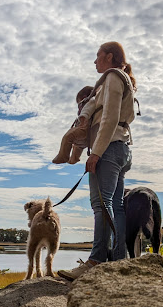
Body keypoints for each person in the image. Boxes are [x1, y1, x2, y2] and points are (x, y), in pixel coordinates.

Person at [58, 42, 137, 281]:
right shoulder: (120, 80)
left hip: (110, 149)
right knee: (116, 206)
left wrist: (96, 153)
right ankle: (119, 262)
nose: (95, 61)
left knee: (100, 204)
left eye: (98, 56)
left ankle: (96, 261)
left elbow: (109, 118)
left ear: (109, 56)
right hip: (122, 149)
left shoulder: (113, 77)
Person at [52, 85, 95, 165]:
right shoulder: (98, 101)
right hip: (89, 134)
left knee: (68, 136)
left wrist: (83, 117)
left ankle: (62, 156)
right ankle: (74, 158)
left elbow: (87, 110)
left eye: (78, 103)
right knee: (77, 146)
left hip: (85, 128)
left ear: (84, 97)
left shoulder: (89, 101)